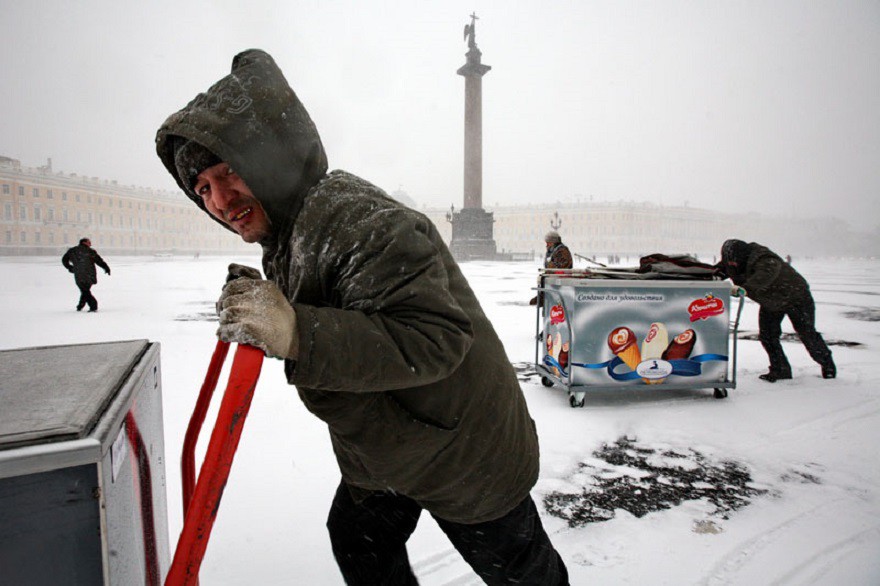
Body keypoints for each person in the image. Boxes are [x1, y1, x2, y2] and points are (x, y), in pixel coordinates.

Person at [156, 49, 568, 585]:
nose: (220, 199)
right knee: (358, 540)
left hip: (462, 451)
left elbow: (434, 339)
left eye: (229, 172)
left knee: (522, 573)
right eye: (203, 188)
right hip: (392, 447)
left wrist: (297, 330)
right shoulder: (290, 227)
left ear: (266, 159)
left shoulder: (355, 220)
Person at [718, 239, 836, 382]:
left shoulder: (762, 257)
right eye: (729, 262)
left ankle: (827, 364)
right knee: (768, 336)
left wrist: (746, 288)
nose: (732, 265)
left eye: (733, 262)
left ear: (740, 255)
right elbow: (718, 270)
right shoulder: (732, 260)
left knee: (807, 333)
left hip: (797, 297)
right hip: (772, 301)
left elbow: (765, 274)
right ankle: (780, 369)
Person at [61, 237, 110, 312]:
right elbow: (99, 261)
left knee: (84, 290)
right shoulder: (90, 251)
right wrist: (106, 267)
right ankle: (93, 306)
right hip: (89, 274)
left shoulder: (73, 251)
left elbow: (64, 260)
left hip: (79, 274)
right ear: (84, 242)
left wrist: (70, 267)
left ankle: (80, 306)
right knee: (85, 290)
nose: (90, 244)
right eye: (89, 242)